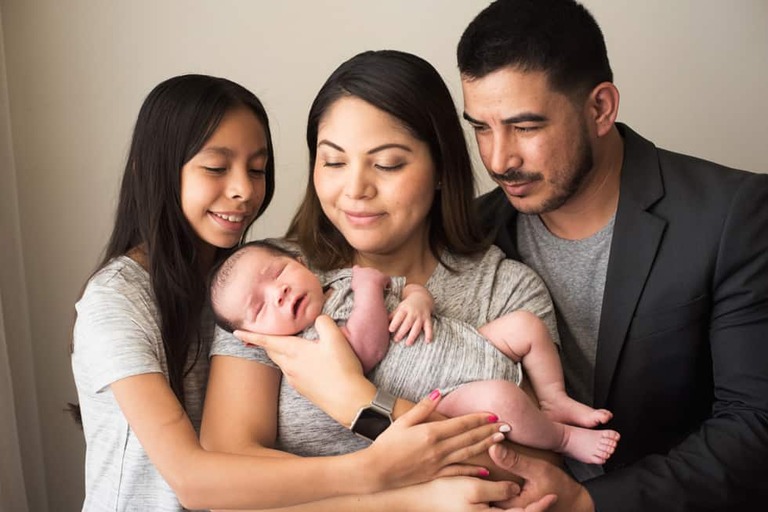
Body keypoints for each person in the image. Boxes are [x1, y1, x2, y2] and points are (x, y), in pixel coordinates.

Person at [70, 73, 521, 512]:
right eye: (215, 167)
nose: (244, 190)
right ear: (152, 172)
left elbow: (530, 471)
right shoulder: (117, 299)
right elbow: (195, 480)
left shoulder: (256, 278)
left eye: (258, 169)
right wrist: (380, 474)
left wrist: (357, 398)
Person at [203, 49, 564, 510]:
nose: (355, 189)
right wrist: (408, 496)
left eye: (388, 164)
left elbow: (537, 475)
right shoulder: (268, 281)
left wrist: (360, 402)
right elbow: (228, 483)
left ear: (439, 169)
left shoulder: (506, 290)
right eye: (333, 162)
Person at [457, 0, 768, 510]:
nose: (499, 159)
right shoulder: (471, 230)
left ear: (600, 108)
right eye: (481, 128)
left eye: (526, 127)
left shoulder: (733, 213)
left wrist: (588, 502)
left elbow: (756, 424)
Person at [209, 240, 620, 464]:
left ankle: (554, 398)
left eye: (278, 273)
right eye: (260, 307)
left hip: (473, 340)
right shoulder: (307, 346)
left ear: (300, 261)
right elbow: (365, 351)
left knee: (525, 326)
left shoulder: (339, 278)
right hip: (452, 393)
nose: (278, 293)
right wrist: (370, 288)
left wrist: (419, 300)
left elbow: (407, 287)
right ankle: (564, 438)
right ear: (248, 336)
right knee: (501, 400)